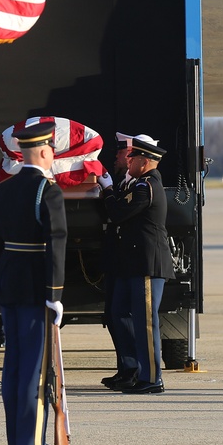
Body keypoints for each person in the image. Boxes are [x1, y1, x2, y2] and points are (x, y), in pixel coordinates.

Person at [0, 119, 68, 445]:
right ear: (46, 152)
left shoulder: (3, 189)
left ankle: (15, 440)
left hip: (9, 283)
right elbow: (56, 243)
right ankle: (29, 441)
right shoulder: (47, 191)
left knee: (14, 364)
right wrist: (55, 294)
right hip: (36, 287)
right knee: (34, 366)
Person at [99, 134, 174, 394]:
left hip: (146, 264)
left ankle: (152, 378)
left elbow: (119, 212)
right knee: (118, 313)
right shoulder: (137, 183)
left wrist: (107, 190)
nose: (127, 161)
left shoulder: (146, 186)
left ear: (143, 161)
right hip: (132, 263)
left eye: (132, 158)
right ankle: (133, 370)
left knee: (144, 322)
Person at [100, 132, 137, 388]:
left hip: (130, 261)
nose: (116, 156)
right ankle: (125, 368)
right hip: (118, 260)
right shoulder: (125, 182)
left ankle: (134, 369)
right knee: (113, 316)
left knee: (122, 315)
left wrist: (108, 190)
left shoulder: (138, 185)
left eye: (120, 152)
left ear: (132, 154)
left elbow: (119, 214)